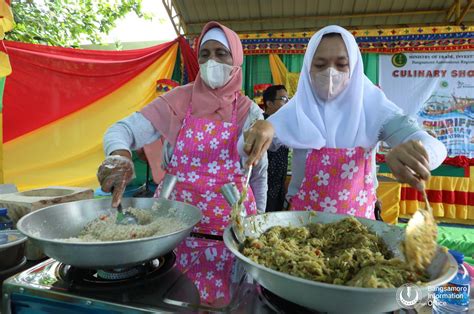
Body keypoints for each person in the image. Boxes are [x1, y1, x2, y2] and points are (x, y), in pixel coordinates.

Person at [97, 21, 268, 304]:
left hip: (231, 237)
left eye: (221, 53)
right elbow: (121, 130)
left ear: (236, 59)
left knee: (228, 304)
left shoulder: (249, 113)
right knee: (175, 301)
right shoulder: (178, 100)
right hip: (173, 234)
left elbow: (258, 175)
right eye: (205, 54)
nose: (211, 61)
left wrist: (256, 222)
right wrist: (119, 154)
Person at [242, 25, 447, 218]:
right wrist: (261, 128)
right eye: (320, 65)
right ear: (307, 70)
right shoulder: (297, 109)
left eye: (341, 64)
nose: (330, 73)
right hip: (301, 227)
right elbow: (245, 147)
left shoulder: (374, 106)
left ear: (355, 67)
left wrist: (419, 153)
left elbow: (431, 144)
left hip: (359, 229)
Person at [262, 85, 290, 211]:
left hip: (279, 184)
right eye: (283, 99)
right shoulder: (260, 123)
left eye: (288, 99)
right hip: (264, 184)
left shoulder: (284, 124)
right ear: (269, 103)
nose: (287, 103)